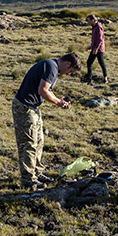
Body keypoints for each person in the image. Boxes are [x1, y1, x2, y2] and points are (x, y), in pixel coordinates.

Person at [12, 53, 81, 191]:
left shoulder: (50, 66)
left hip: (33, 107)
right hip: (25, 107)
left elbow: (46, 90)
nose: (68, 74)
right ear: (67, 64)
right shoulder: (51, 67)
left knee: (38, 141)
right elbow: (43, 91)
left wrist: (57, 99)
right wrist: (58, 103)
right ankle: (28, 179)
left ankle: (37, 172)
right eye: (70, 71)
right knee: (29, 144)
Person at [83, 14, 108, 83]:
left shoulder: (98, 27)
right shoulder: (94, 27)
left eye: (88, 20)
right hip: (95, 48)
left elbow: (100, 39)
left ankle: (105, 78)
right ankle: (89, 78)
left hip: (99, 49)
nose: (88, 22)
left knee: (101, 63)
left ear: (93, 20)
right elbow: (95, 39)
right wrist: (91, 47)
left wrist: (96, 49)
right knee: (89, 62)